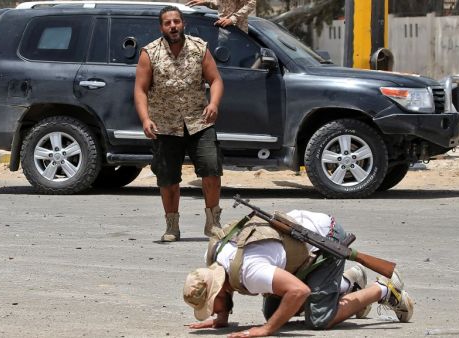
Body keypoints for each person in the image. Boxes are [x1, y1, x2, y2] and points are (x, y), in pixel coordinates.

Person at [183, 210, 414, 337]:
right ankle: (347, 284)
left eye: (213, 304)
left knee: (318, 320)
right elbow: (225, 285)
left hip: (325, 241)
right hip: (299, 243)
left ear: (220, 289)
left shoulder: (249, 272)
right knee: (275, 311)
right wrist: (221, 318)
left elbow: (299, 291)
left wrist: (267, 330)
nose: (212, 310)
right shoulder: (214, 255)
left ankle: (384, 289)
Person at [134, 6, 225, 242]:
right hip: (165, 125)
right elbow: (140, 90)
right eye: (167, 23)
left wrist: (213, 103)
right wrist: (145, 119)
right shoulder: (149, 53)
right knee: (168, 178)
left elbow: (215, 79)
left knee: (212, 171)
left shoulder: (199, 48)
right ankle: (172, 226)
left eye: (176, 21)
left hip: (199, 122)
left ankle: (213, 223)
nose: (173, 26)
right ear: (161, 27)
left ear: (183, 23)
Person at [186, 0, 256, 33]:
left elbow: (251, 3)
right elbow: (219, 4)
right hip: (222, 30)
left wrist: (233, 19)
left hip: (237, 31)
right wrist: (205, 2)